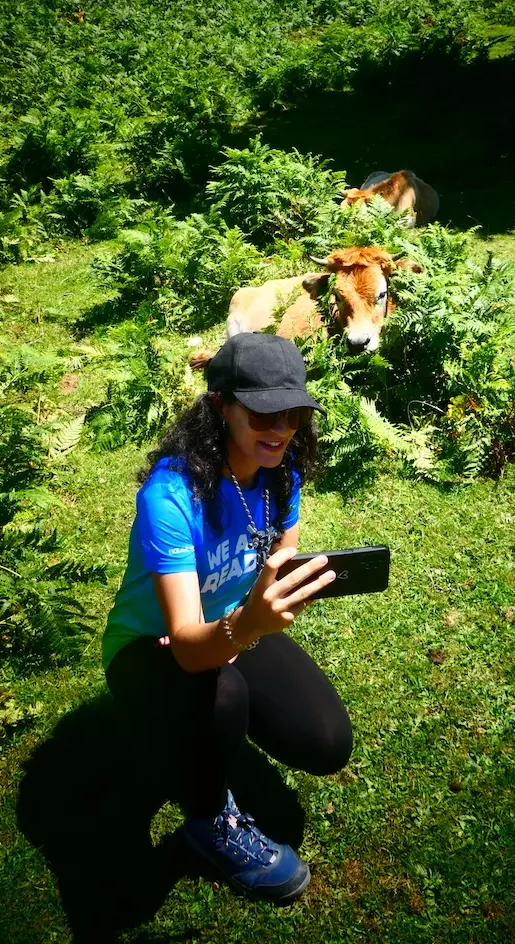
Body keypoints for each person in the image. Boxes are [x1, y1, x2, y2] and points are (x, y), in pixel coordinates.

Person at [101, 332, 353, 904]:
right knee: (223, 694)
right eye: (264, 410)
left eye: (293, 412)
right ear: (219, 405)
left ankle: (199, 742)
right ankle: (209, 819)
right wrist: (251, 625)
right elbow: (189, 647)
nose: (281, 427)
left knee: (326, 741)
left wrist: (281, 592)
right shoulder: (170, 495)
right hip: (152, 646)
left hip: (236, 623)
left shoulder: (280, 475)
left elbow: (275, 561)